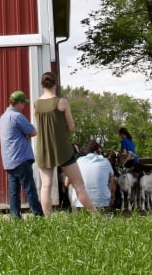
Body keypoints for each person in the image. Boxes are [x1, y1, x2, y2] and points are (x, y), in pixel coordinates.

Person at [34, 71, 97, 214]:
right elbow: (72, 126)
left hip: (44, 150)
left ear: (42, 85)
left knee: (46, 186)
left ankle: (47, 220)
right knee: (79, 185)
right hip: (62, 149)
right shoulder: (61, 102)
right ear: (55, 84)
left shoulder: (36, 105)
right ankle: (96, 215)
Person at [0, 90, 44, 218]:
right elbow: (33, 132)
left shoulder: (3, 117)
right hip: (21, 158)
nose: (24, 107)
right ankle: (38, 216)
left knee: (14, 191)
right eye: (23, 104)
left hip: (9, 160)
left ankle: (15, 217)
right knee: (30, 189)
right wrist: (26, 135)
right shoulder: (17, 116)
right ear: (18, 103)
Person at [65, 140, 114, 209]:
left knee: (72, 182)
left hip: (81, 204)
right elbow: (112, 181)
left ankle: (72, 207)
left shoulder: (79, 161)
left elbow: (66, 183)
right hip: (102, 203)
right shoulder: (105, 161)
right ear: (97, 151)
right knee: (110, 179)